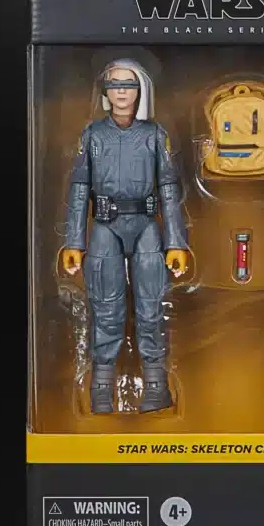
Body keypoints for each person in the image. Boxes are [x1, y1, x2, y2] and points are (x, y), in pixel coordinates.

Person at [61, 59, 189, 413]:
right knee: (106, 309)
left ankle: (156, 387)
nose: (121, 91)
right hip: (105, 227)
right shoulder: (92, 136)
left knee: (151, 308)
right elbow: (79, 190)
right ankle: (101, 390)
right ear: (105, 92)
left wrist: (176, 242)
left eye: (128, 85)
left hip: (146, 226)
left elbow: (168, 189)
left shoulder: (154, 135)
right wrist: (74, 242)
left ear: (139, 91)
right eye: (115, 84)